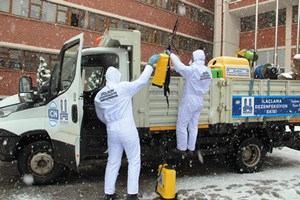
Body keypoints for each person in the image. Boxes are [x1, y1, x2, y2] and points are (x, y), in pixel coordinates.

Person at [94, 54, 160, 200]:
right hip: (127, 128)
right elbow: (142, 81)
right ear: (116, 77)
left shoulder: (99, 96)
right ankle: (132, 195)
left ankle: (109, 194)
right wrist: (150, 64)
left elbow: (100, 115)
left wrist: (109, 122)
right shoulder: (123, 87)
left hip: (111, 130)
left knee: (113, 161)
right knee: (134, 160)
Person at [165, 49, 212, 162]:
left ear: (195, 58)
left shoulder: (193, 70)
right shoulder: (207, 71)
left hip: (189, 99)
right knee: (193, 126)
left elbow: (180, 67)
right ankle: (191, 148)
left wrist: (171, 55)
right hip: (200, 100)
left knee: (182, 125)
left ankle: (181, 148)